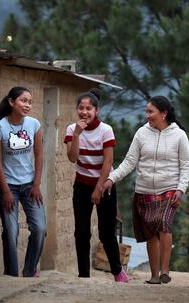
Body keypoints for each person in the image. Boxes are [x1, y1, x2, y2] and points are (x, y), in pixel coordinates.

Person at [102, 96, 189, 284]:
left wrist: (181, 189)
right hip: (144, 191)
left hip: (169, 190)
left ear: (164, 113)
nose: (147, 115)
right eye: (146, 111)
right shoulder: (141, 133)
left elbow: (186, 165)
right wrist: (111, 178)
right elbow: (129, 161)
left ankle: (165, 271)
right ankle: (154, 275)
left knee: (163, 223)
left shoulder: (179, 135)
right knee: (150, 231)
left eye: (151, 112)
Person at [64, 89, 128, 282]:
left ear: (97, 110)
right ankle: (83, 274)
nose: (84, 112)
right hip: (82, 185)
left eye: (89, 108)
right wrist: (76, 134)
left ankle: (118, 272)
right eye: (81, 108)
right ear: (76, 109)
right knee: (81, 231)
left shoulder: (105, 130)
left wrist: (99, 188)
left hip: (104, 185)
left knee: (106, 232)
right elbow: (72, 157)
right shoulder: (71, 129)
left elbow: (108, 162)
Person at [0, 86, 46, 277]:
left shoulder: (34, 124)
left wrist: (36, 184)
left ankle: (29, 272)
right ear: (11, 102)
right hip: (8, 186)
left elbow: (39, 155)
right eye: (23, 100)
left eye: (30, 102)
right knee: (11, 231)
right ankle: (11, 275)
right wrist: (6, 191)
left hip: (29, 186)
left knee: (40, 228)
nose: (27, 105)